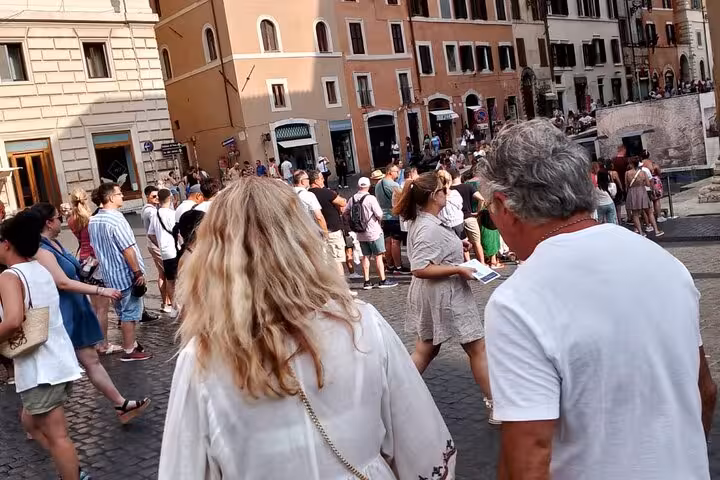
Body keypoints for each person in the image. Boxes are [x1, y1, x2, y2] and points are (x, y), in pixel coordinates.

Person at [159, 177, 455, 480]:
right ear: (302, 241)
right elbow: (422, 445)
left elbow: (184, 467)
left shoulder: (202, 358)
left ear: (215, 257)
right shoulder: (362, 324)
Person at [478, 119, 715, 480]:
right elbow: (705, 391)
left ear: (504, 205)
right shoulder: (668, 265)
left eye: (489, 215)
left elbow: (528, 460)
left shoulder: (518, 301)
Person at [32, 203, 152, 424]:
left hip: (76, 308)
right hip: (62, 313)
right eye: (59, 217)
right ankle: (32, 420)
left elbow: (71, 273)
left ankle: (120, 404)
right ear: (48, 223)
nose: (62, 220)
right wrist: (100, 289)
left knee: (91, 361)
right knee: (54, 370)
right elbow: (63, 282)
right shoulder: (41, 250)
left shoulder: (54, 243)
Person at [393, 172, 495, 423]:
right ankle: (496, 405)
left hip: (437, 294)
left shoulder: (426, 222)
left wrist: (458, 249)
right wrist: (457, 268)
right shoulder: (427, 226)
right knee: (476, 347)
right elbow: (419, 267)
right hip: (446, 294)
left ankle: (393, 398)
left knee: (427, 349)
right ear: (432, 196)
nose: (446, 193)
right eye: (442, 190)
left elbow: (432, 254)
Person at [0, 211, 88, 480]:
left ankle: (73, 473)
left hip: (41, 368)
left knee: (57, 435)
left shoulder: (10, 276)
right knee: (30, 421)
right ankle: (71, 467)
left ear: (6, 244)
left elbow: (14, 320)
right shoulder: (38, 269)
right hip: (56, 361)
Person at [88, 183, 152, 362]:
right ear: (110, 198)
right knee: (129, 314)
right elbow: (128, 249)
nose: (122, 196)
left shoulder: (94, 220)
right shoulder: (116, 219)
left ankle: (131, 342)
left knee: (122, 312)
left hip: (109, 275)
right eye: (119, 193)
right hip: (125, 274)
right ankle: (130, 350)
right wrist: (137, 272)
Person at [67, 188, 121, 355]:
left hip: (83, 262)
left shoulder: (71, 219)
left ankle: (98, 341)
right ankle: (103, 344)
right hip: (95, 262)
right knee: (102, 308)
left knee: (95, 307)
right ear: (86, 200)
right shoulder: (90, 220)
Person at [343, 177, 397, 290]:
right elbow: (379, 214)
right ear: (367, 186)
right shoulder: (370, 198)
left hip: (360, 233)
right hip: (373, 231)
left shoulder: (352, 198)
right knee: (378, 256)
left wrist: (352, 223)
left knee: (365, 257)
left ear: (358, 186)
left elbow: (345, 212)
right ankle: (382, 280)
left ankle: (367, 282)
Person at [308, 170, 347, 277]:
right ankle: (342, 286)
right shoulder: (326, 192)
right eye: (321, 178)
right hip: (332, 230)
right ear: (316, 181)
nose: (323, 180)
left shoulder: (307, 194)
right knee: (337, 260)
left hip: (315, 231)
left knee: (323, 260)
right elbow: (342, 202)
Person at [140, 185, 171, 315]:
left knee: (162, 273)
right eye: (153, 196)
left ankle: (166, 302)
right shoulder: (151, 211)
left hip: (153, 244)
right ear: (147, 196)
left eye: (158, 196)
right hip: (157, 244)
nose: (156, 198)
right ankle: (168, 302)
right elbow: (154, 231)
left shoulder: (147, 209)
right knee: (167, 273)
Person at [148, 189, 179, 316]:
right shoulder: (173, 214)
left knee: (170, 280)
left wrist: (159, 244)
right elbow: (178, 232)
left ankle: (174, 308)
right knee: (178, 280)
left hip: (165, 252)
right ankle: (180, 306)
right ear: (170, 198)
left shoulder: (155, 214)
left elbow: (151, 234)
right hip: (175, 250)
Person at [375, 165, 408, 274]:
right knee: (395, 242)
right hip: (393, 216)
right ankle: (398, 267)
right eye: (396, 172)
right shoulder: (394, 185)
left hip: (383, 216)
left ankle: (390, 265)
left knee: (387, 241)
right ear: (390, 172)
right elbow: (401, 200)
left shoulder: (378, 184)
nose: (398, 174)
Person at [625, 158, 663, 237]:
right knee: (649, 211)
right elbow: (648, 184)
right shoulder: (643, 173)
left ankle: (641, 232)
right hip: (642, 191)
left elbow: (626, 185)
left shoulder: (627, 173)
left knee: (635, 214)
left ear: (631, 164)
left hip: (632, 192)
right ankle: (656, 230)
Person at [293, 170, 328, 234]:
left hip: (296, 232)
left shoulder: (289, 193)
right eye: (308, 179)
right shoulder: (309, 195)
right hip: (310, 232)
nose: (309, 180)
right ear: (302, 181)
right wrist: (325, 234)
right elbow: (319, 217)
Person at [437, 170, 466, 243]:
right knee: (462, 247)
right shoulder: (455, 194)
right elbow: (460, 206)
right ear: (449, 181)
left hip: (442, 225)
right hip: (457, 224)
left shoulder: (435, 197)